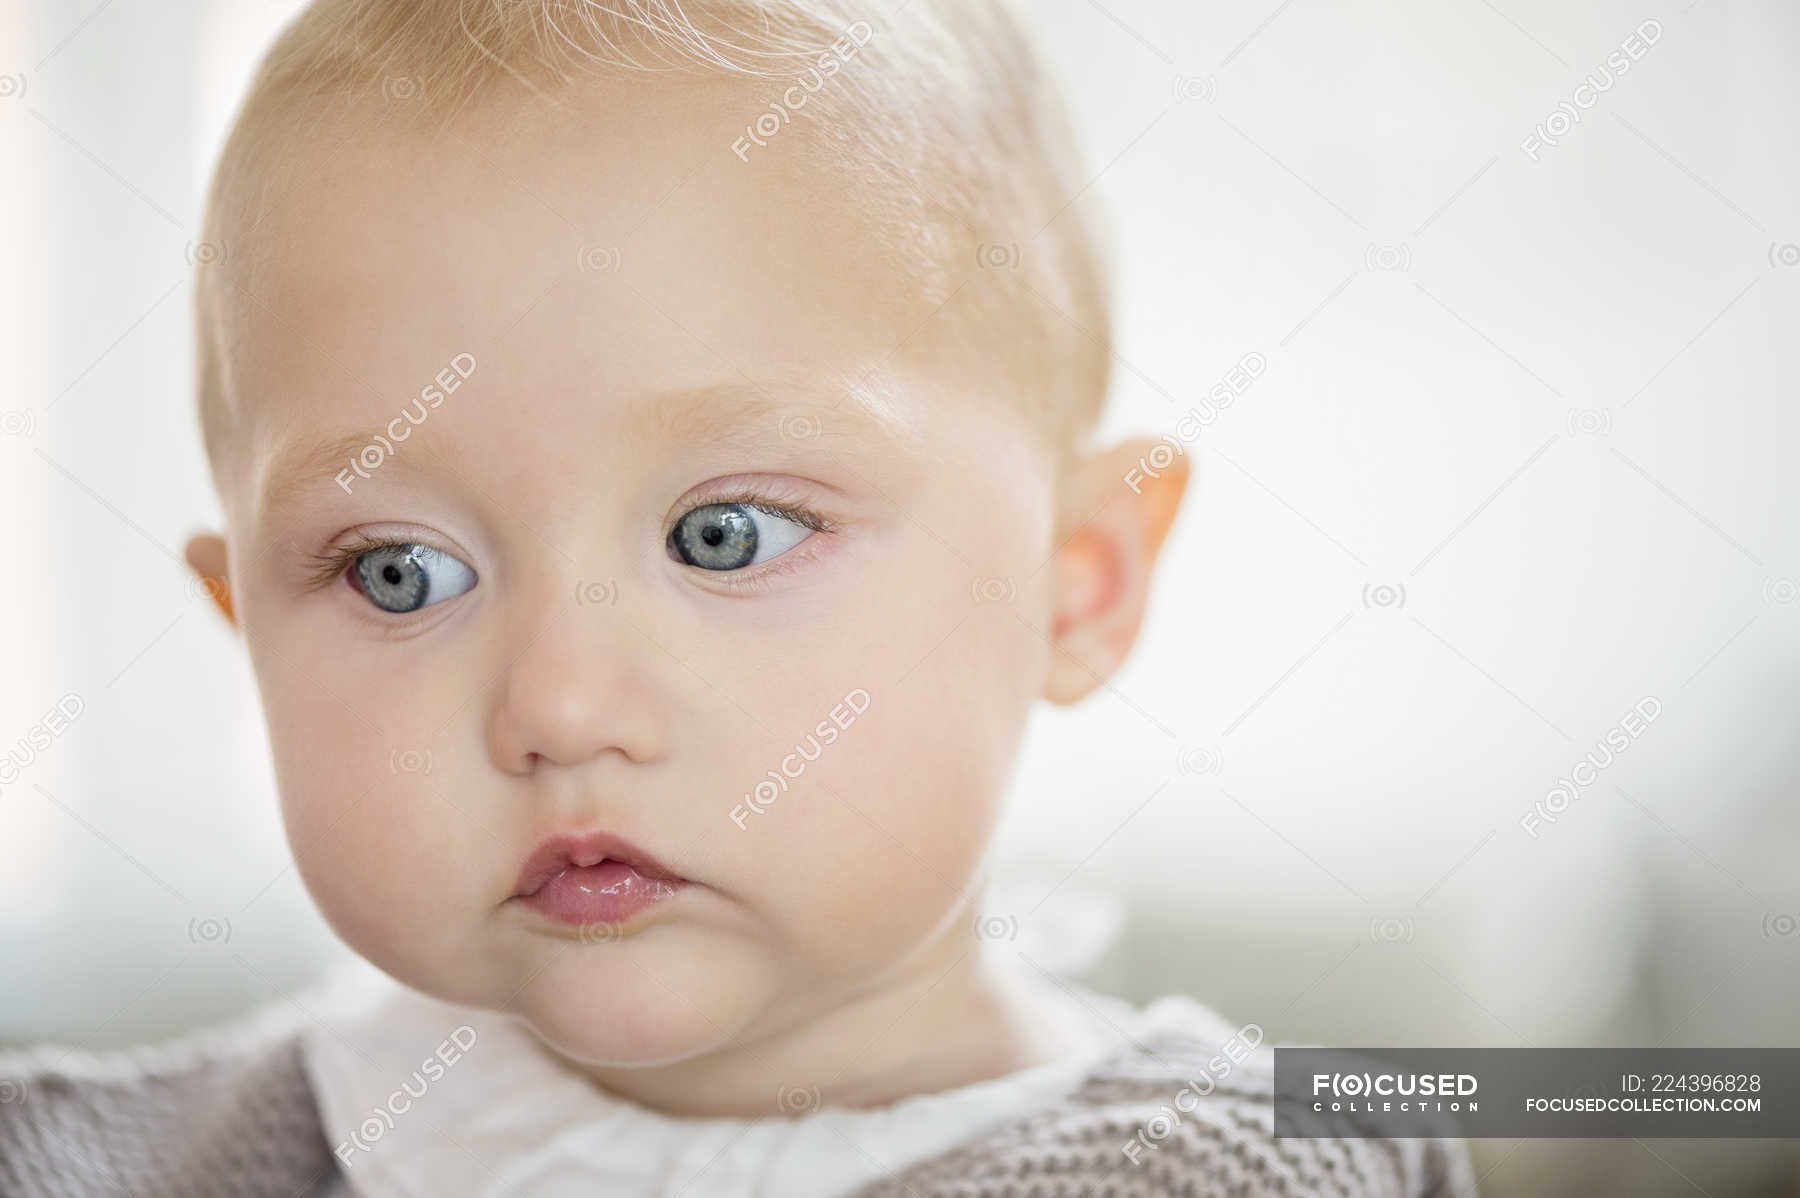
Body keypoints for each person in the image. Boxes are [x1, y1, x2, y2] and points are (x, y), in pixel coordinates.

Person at [0, 2, 1475, 1194]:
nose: (562, 704)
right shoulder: (96, 1155)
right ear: (248, 631)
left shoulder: (1244, 1166)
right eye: (403, 573)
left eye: (726, 538)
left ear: (1077, 584)